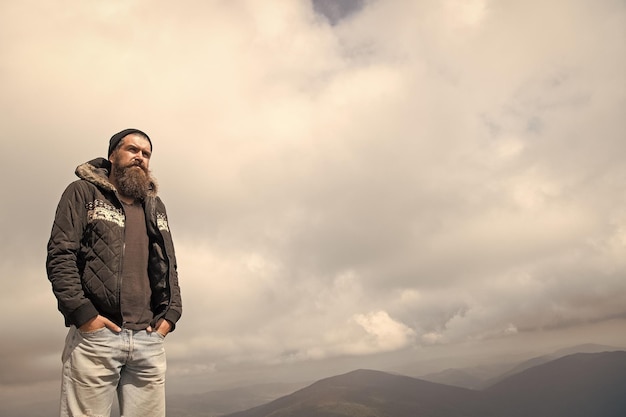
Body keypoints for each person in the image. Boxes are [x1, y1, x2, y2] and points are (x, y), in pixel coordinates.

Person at [46, 128, 183, 417]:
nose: (140, 158)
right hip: (97, 337)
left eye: (146, 154)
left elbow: (168, 263)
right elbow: (61, 254)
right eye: (132, 150)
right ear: (112, 156)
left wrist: (170, 315)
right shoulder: (83, 193)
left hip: (149, 337)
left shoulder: (155, 206)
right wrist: (84, 315)